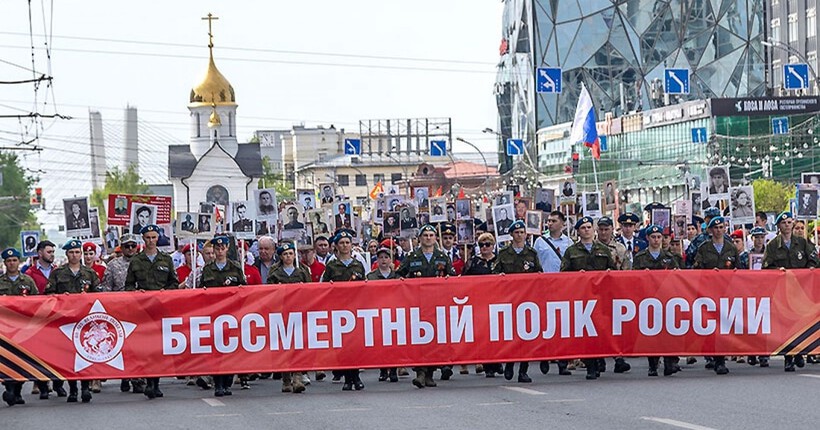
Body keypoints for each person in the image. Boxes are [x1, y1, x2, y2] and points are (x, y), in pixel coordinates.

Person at [396, 224, 454, 389]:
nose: (428, 238)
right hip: (417, 304)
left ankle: (430, 373)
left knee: (434, 339)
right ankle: (420, 372)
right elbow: (399, 275)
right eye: (425, 235)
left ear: (435, 238)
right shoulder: (412, 256)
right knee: (420, 338)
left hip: (437, 305)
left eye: (431, 235)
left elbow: (452, 278)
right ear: (419, 238)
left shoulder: (442, 257)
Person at [124, 225, 179, 398]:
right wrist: (136, 293)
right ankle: (148, 381)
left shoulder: (166, 259)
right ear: (143, 239)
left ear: (158, 238)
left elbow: (174, 282)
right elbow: (129, 285)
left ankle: (156, 383)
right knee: (146, 348)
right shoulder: (136, 260)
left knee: (159, 348)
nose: (150, 241)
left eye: (153, 237)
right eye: (147, 237)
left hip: (160, 310)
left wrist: (165, 293)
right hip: (142, 310)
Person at [560, 217, 617, 380]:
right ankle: (591, 365)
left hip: (600, 297)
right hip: (582, 298)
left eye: (589, 227)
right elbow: (563, 274)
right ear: (578, 231)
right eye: (583, 227)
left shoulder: (603, 249)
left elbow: (612, 272)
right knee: (587, 332)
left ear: (593, 230)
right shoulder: (571, 252)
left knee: (600, 331)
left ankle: (599, 360)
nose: (586, 230)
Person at [46, 240, 101, 403]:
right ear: (67, 254)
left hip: (85, 321)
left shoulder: (89, 273)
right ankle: (73, 390)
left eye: (77, 252)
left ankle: (85, 388)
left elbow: (99, 295)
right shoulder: (58, 273)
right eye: (71, 252)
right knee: (69, 357)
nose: (75, 255)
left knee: (84, 354)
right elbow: (49, 295)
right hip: (65, 321)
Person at [762, 211, 817, 372]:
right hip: (783, 292)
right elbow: (766, 267)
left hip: (801, 291)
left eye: (789, 222)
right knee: (786, 325)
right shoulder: (772, 245)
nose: (787, 225)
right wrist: (778, 270)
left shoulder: (802, 242)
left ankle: (799, 352)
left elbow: (813, 260)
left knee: (802, 322)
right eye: (784, 223)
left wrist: (809, 270)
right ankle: (788, 357)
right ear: (779, 226)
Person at [492, 220, 542, 383]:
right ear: (511, 235)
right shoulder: (504, 253)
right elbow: (495, 273)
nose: (519, 235)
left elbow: (538, 274)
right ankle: (510, 363)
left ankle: (523, 371)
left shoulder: (532, 253)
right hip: (509, 300)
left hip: (528, 301)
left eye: (522, 232)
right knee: (510, 335)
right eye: (516, 232)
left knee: (526, 336)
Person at [0, 247, 48, 405]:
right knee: (7, 360)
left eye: (14, 260)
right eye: (8, 261)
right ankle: (10, 390)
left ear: (18, 262)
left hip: (24, 328)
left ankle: (18, 391)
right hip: (4, 329)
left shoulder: (27, 281)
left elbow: (37, 302)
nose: (12, 263)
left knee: (21, 360)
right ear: (5, 263)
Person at [200, 236, 246, 396]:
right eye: (217, 248)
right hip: (214, 315)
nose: (220, 251)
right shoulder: (208, 269)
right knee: (216, 351)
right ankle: (218, 383)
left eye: (222, 248)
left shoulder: (235, 268)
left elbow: (244, 291)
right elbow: (201, 292)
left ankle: (227, 382)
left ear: (227, 249)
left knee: (230, 350)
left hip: (232, 315)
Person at [632, 225, 680, 377]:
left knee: (668, 332)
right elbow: (633, 279)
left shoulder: (670, 257)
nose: (656, 240)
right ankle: (652, 364)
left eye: (659, 237)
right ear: (647, 238)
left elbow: (678, 278)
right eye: (653, 237)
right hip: (648, 300)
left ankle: (669, 363)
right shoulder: (640, 257)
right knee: (651, 334)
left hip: (666, 300)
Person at [321, 229, 366, 391]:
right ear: (336, 246)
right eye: (342, 243)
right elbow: (325, 287)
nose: (345, 246)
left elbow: (365, 285)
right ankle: (348, 378)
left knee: (355, 344)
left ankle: (356, 377)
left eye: (347, 243)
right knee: (343, 346)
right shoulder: (332, 265)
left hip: (356, 309)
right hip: (339, 309)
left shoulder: (358, 265)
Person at [692, 216, 738, 375]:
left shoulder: (731, 248)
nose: (719, 230)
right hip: (709, 293)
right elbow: (696, 270)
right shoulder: (704, 248)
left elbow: (739, 270)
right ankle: (713, 356)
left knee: (724, 327)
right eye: (716, 228)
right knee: (711, 326)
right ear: (710, 230)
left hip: (726, 293)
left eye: (721, 227)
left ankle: (721, 359)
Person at [265, 242, 310, 393]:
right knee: (285, 346)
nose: (288, 257)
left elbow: (311, 290)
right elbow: (269, 292)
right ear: (280, 257)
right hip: (282, 312)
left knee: (298, 345)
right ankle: (286, 379)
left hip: (298, 311)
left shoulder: (302, 271)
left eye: (291, 253)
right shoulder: (275, 273)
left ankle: (297, 377)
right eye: (285, 254)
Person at [365, 247, 400, 383]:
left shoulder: (397, 276)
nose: (384, 260)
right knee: (381, 342)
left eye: (386, 257)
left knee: (394, 343)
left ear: (391, 260)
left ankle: (393, 369)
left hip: (395, 312)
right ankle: (383, 369)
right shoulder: (371, 276)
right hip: (378, 311)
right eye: (381, 257)